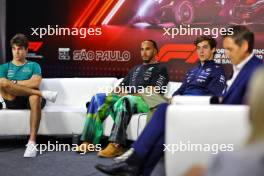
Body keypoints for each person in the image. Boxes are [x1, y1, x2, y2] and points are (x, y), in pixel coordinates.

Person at [95, 25, 262, 176]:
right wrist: (176, 100)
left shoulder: (252, 70)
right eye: (225, 49)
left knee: (162, 111)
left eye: (229, 49)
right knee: (163, 111)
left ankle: (132, 162)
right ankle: (136, 168)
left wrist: (184, 103)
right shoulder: (202, 70)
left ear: (244, 46)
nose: (226, 53)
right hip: (191, 107)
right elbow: (182, 90)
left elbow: (216, 99)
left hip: (212, 115)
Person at [77, 40, 169, 157]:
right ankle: (88, 141)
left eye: (147, 49)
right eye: (142, 49)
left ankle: (116, 145)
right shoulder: (135, 68)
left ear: (155, 51)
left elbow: (153, 91)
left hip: (145, 101)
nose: (144, 52)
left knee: (126, 100)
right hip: (128, 98)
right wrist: (114, 95)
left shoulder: (161, 68)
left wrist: (129, 95)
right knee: (97, 98)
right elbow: (120, 88)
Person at [0, 34, 58, 157]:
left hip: (30, 100)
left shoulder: (33, 65)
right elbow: (4, 84)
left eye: (20, 49)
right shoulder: (4, 67)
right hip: (12, 99)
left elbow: (35, 82)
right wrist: (22, 85)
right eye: (14, 49)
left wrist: (14, 83)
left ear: (26, 50)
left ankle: (32, 143)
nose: (17, 52)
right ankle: (42, 93)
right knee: (3, 82)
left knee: (34, 97)